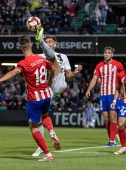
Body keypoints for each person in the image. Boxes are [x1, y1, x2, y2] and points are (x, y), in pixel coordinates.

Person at [0, 35, 56, 162]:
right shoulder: (41, 59)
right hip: (47, 95)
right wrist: (50, 80)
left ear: (20, 48)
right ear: (31, 45)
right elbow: (52, 68)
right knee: (45, 116)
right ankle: (51, 131)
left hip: (34, 98)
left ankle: (48, 154)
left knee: (33, 128)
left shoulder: (23, 63)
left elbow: (14, 72)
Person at [31, 27, 82, 156]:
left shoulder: (63, 56)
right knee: (41, 116)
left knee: (54, 65)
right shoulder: (39, 56)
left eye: (50, 42)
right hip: (47, 88)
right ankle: (50, 134)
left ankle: (41, 146)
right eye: (46, 41)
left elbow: (69, 75)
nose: (49, 43)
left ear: (55, 44)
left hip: (58, 83)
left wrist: (74, 73)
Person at [85, 46, 124, 146]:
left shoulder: (118, 65)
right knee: (106, 118)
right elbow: (94, 79)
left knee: (112, 117)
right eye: (105, 52)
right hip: (103, 95)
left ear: (112, 54)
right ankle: (112, 137)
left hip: (113, 94)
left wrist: (123, 90)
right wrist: (89, 89)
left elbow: (123, 77)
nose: (106, 54)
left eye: (108, 53)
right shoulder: (99, 66)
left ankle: (112, 141)